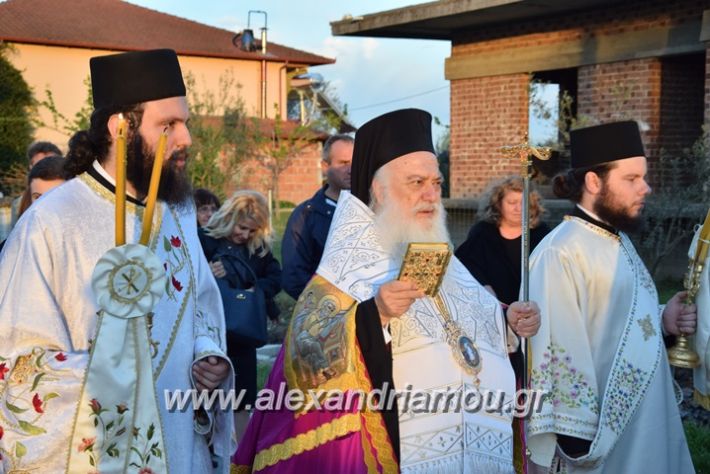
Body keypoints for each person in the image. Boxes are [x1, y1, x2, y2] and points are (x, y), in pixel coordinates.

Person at [233, 108, 540, 473]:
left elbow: (467, 317)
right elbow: (305, 356)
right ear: (379, 190)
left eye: (436, 183)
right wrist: (373, 314)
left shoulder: (437, 250)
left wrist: (506, 320)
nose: (430, 195)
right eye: (416, 183)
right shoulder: (347, 267)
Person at [0, 49, 234, 473]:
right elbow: (15, 365)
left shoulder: (177, 212)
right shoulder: (51, 223)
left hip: (182, 444)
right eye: (169, 125)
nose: (186, 139)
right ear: (120, 127)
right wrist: (110, 371)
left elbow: (200, 307)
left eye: (185, 123)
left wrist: (207, 355)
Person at [526, 121, 696, 473]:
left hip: (646, 424)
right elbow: (559, 353)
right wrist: (581, 451)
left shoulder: (616, 239)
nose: (646, 188)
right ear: (593, 181)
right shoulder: (560, 252)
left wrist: (665, 320)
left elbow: (619, 321)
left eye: (643, 178)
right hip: (602, 444)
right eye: (631, 179)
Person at [455, 175, 550, 472]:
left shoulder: (544, 234)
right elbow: (467, 275)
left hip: (535, 321)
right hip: (494, 323)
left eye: (524, 202)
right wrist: (492, 302)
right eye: (511, 202)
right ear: (498, 203)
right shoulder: (483, 234)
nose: (518, 208)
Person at [198, 190, 282, 441]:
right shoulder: (204, 240)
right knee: (207, 397)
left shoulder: (258, 249)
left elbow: (276, 278)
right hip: (210, 330)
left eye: (252, 230)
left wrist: (254, 288)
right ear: (229, 217)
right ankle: (210, 452)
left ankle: (242, 460)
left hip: (243, 333)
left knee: (242, 399)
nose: (244, 235)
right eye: (242, 227)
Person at [281, 134, 353, 299]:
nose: (351, 169)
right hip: (327, 313)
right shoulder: (305, 216)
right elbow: (293, 277)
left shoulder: (374, 209)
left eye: (356, 162)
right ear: (325, 166)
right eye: (343, 163)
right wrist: (328, 305)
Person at [9, 141, 63, 226]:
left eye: (52, 165)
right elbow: (14, 236)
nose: (45, 170)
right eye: (39, 165)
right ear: (31, 167)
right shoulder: (19, 204)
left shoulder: (75, 198)